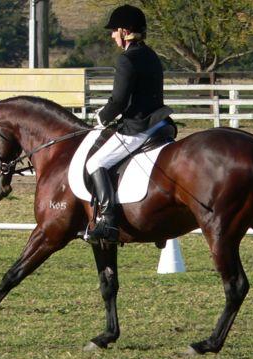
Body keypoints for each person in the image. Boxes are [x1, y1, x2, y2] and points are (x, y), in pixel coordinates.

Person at [86, 4, 175, 242]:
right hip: (159, 123)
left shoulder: (127, 59)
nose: (112, 34)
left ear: (125, 31)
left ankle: (108, 222)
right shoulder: (151, 55)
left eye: (114, 30)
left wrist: (101, 117)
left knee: (96, 162)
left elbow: (118, 101)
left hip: (138, 128)